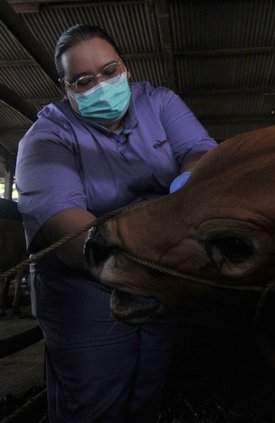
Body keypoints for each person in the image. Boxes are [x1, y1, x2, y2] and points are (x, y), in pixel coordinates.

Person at [15, 24, 217, 422]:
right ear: (67, 87)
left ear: (125, 67)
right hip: (87, 286)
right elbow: (71, 232)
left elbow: (200, 152)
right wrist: (169, 239)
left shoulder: (158, 103)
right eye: (83, 80)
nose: (101, 86)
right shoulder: (46, 138)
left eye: (109, 72)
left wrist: (190, 184)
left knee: (149, 384)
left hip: (160, 274)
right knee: (95, 399)